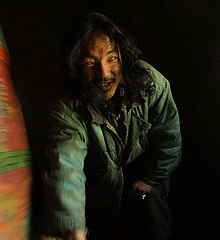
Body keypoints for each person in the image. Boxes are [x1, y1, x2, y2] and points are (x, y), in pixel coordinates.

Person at [41, 12, 181, 240]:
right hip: (102, 187)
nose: (104, 73)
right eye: (89, 63)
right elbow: (65, 165)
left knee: (151, 207)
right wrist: (73, 228)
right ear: (75, 66)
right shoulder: (68, 109)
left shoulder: (151, 84)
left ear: (122, 55)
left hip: (144, 178)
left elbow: (169, 140)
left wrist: (149, 180)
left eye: (111, 59)